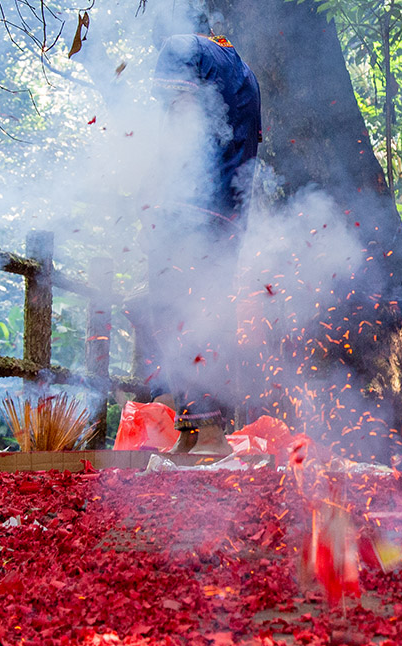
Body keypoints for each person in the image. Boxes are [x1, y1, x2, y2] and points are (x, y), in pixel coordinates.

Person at [142, 12, 262, 454]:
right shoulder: (240, 67)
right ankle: (194, 433)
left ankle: (207, 432)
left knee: (179, 309)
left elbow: (185, 123)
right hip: (227, 214)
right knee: (203, 309)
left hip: (190, 208)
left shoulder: (182, 49)